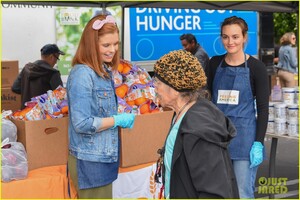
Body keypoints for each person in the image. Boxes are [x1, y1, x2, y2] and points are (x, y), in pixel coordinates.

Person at [153, 50, 239, 198]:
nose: (155, 87)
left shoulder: (198, 129)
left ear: (175, 89)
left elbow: (214, 192)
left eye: (158, 83)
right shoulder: (180, 114)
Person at [66, 14, 135, 198]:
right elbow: (81, 123)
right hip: (90, 160)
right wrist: (116, 120)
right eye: (106, 45)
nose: (112, 50)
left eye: (116, 44)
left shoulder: (102, 70)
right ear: (91, 45)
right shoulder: (82, 74)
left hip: (100, 158)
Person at [207, 16, 269, 198]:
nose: (230, 42)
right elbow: (207, 100)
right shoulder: (214, 63)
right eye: (225, 37)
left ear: (244, 37)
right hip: (217, 137)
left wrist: (258, 142)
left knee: (242, 192)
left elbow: (263, 108)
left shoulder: (257, 67)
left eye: (235, 36)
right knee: (219, 192)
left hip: (245, 140)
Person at [11, 44, 65, 109]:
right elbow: (61, 97)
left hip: (25, 114)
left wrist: (28, 93)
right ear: (51, 57)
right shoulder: (53, 73)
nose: (56, 62)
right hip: (44, 115)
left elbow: (15, 88)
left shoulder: (26, 69)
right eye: (57, 58)